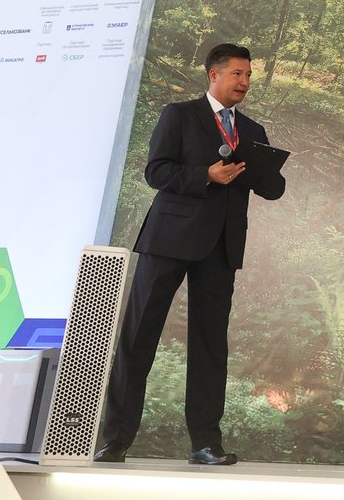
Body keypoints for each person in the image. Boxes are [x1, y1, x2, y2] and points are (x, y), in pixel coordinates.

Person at [96, 43, 286, 467]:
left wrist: (264, 170)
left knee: (210, 346)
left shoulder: (252, 130)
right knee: (138, 337)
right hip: (168, 240)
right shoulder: (179, 115)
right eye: (237, 74)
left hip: (220, 247)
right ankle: (115, 440)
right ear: (213, 74)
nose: (245, 82)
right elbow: (156, 171)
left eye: (249, 75)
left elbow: (273, 188)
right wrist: (206, 175)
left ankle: (205, 444)